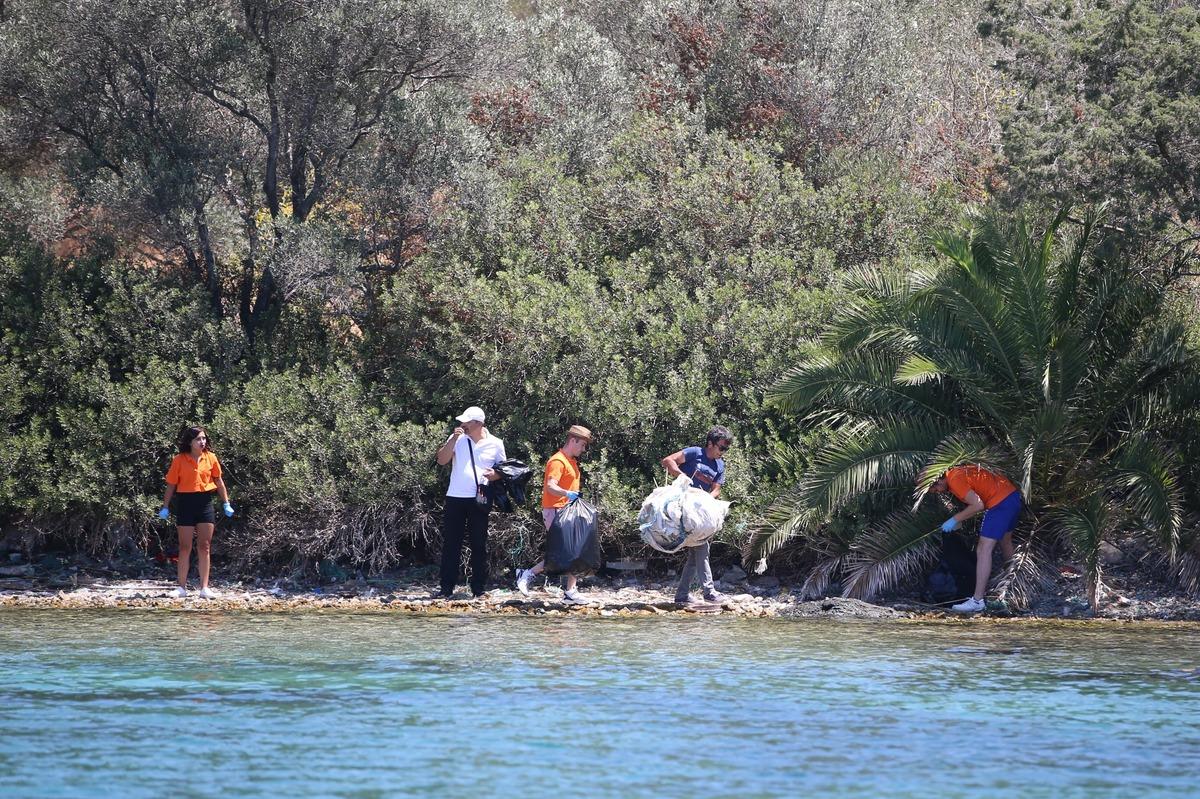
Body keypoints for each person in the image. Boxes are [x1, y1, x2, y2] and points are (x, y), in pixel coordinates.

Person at [927, 464, 1024, 613]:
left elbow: (978, 505)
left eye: (934, 489)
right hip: (1012, 497)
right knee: (1005, 541)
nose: (937, 492)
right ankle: (1014, 584)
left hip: (999, 504)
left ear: (938, 480)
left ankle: (977, 601)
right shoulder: (956, 471)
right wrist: (958, 520)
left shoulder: (954, 479)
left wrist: (954, 519)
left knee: (983, 549)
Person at [434, 406, 506, 599]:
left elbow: (503, 469)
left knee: (478, 544)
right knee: (451, 544)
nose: (462, 424)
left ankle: (478, 589)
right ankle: (446, 588)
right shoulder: (457, 439)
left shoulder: (496, 443)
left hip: (479, 499)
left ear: (478, 423)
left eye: (466, 422)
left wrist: (495, 475)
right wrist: (454, 439)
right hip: (455, 497)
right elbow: (441, 460)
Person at [515, 425, 592, 604]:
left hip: (568, 511)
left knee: (575, 551)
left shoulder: (571, 461)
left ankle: (570, 592)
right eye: (582, 445)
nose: (584, 449)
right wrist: (567, 494)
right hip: (555, 511)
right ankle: (526, 574)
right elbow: (551, 486)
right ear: (573, 440)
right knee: (563, 552)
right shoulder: (557, 461)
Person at [159, 425, 233, 599]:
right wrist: (165, 506)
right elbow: (171, 485)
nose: (202, 442)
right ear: (190, 442)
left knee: (205, 546)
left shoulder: (211, 458)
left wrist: (226, 503)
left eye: (204, 438)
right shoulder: (179, 459)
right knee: (185, 547)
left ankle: (204, 588)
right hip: (185, 503)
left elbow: (219, 481)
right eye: (198, 439)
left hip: (205, 502)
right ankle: (181, 588)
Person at [661, 426, 732, 607]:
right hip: (683, 508)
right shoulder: (694, 453)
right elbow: (668, 460)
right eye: (721, 448)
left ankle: (682, 595)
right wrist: (682, 476)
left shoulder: (720, 465)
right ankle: (709, 592)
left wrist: (707, 499)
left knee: (696, 553)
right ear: (710, 443)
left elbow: (716, 489)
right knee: (702, 549)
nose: (723, 452)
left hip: (699, 512)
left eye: (726, 449)